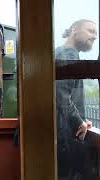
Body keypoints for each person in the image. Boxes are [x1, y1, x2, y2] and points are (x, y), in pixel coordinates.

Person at [56, 19, 97, 180]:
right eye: (90, 31)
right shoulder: (69, 55)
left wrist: (81, 119)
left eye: (96, 33)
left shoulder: (59, 52)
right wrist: (78, 121)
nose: (95, 36)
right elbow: (60, 94)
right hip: (62, 140)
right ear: (74, 30)